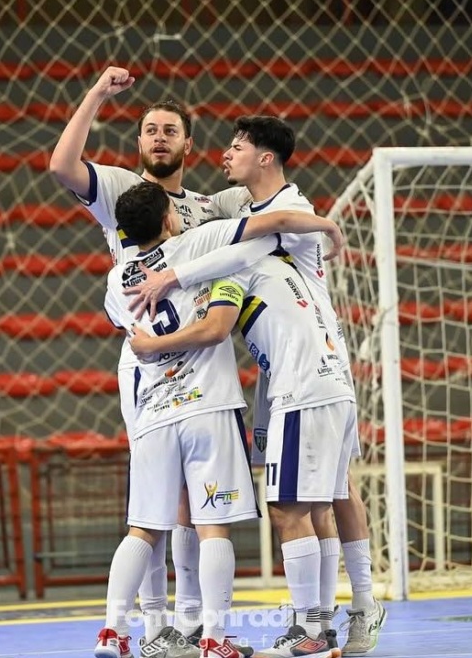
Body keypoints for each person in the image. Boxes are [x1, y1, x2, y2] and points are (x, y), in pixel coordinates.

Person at [125, 116, 387, 655]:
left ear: (266, 157)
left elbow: (238, 255)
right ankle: (339, 615)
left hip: (303, 372)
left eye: (237, 146)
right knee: (324, 498)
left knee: (297, 506)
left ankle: (317, 625)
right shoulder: (245, 210)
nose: (225, 154)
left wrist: (169, 274)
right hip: (302, 373)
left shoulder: (288, 215)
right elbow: (214, 217)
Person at [50, 65, 259, 655]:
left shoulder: (206, 206)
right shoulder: (121, 190)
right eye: (150, 129)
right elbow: (63, 168)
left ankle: (186, 624)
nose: (160, 136)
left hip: (167, 351)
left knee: (180, 504)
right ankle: (156, 624)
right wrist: (94, 94)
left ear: (189, 144)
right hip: (157, 368)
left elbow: (249, 204)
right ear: (138, 143)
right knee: (170, 502)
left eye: (171, 129)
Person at [97, 181, 347, 658]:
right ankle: (213, 639)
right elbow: (273, 223)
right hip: (207, 407)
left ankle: (112, 632)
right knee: (214, 528)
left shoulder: (115, 280)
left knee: (143, 529)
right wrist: (325, 224)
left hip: (151, 413)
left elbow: (125, 327)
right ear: (170, 218)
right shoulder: (198, 242)